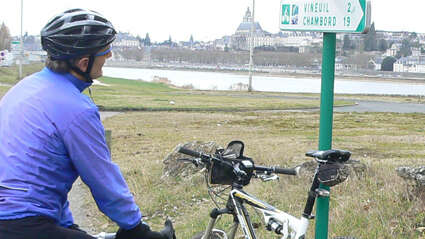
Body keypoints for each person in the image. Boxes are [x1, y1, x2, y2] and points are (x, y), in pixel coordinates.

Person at [0, 9, 175, 239]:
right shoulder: (77, 109)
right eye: (105, 51)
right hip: (21, 224)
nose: (109, 56)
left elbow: (43, 174)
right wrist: (136, 228)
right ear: (84, 63)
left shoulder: (24, 88)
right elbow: (103, 179)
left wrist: (68, 226)